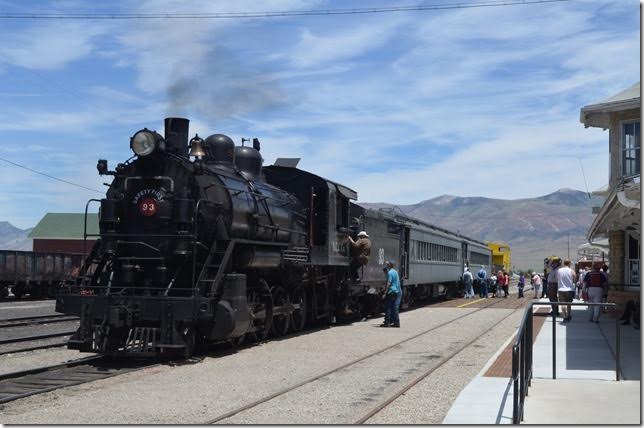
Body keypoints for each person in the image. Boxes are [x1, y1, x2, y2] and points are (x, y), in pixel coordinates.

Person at [381, 261, 401, 328]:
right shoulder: (395, 272)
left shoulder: (389, 273)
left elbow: (389, 283)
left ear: (390, 265)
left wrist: (385, 292)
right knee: (394, 308)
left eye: (387, 264)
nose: (386, 265)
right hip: (395, 291)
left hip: (390, 292)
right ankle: (397, 323)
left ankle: (387, 323)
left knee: (388, 307)